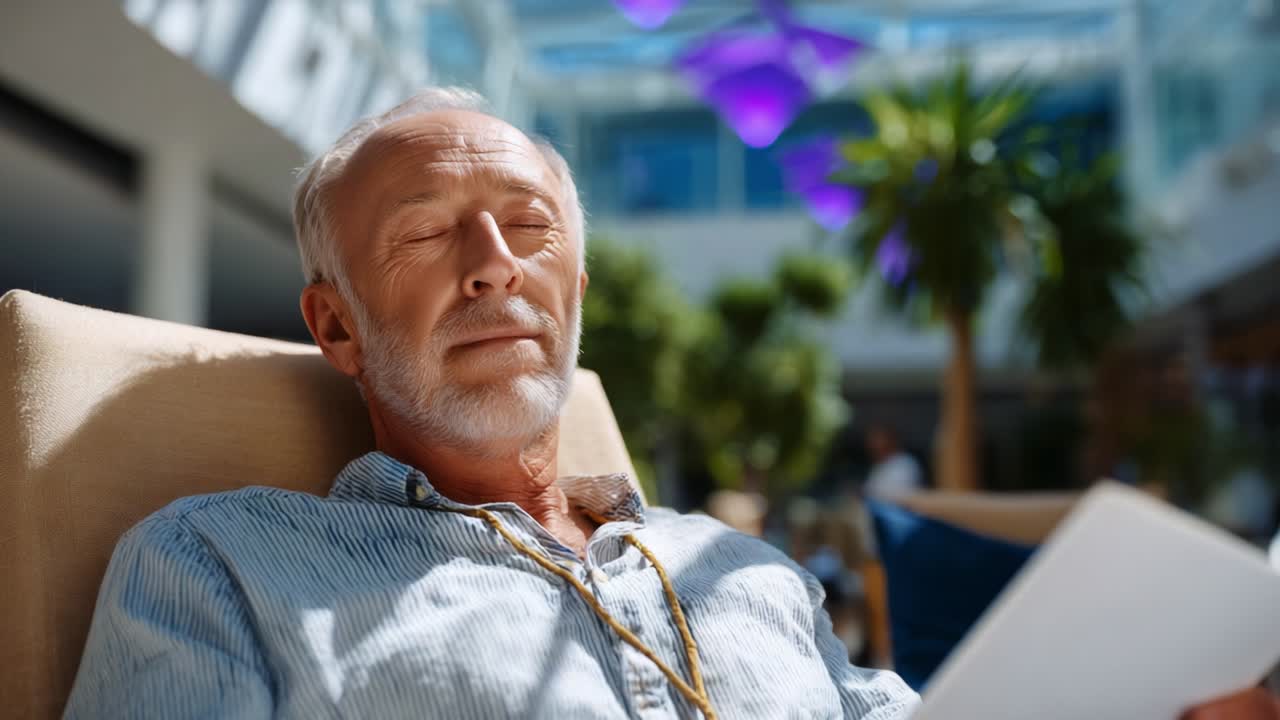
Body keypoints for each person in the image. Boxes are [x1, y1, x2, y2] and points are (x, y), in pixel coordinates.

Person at [64, 88, 1274, 719]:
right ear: (332, 322)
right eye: (428, 232)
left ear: (572, 291)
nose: (495, 263)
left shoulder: (741, 569)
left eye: (531, 231)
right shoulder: (218, 566)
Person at [863, 424, 923, 501]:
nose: (873, 446)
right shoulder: (880, 464)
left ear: (892, 441)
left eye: (879, 440)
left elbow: (897, 496)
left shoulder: (906, 464)